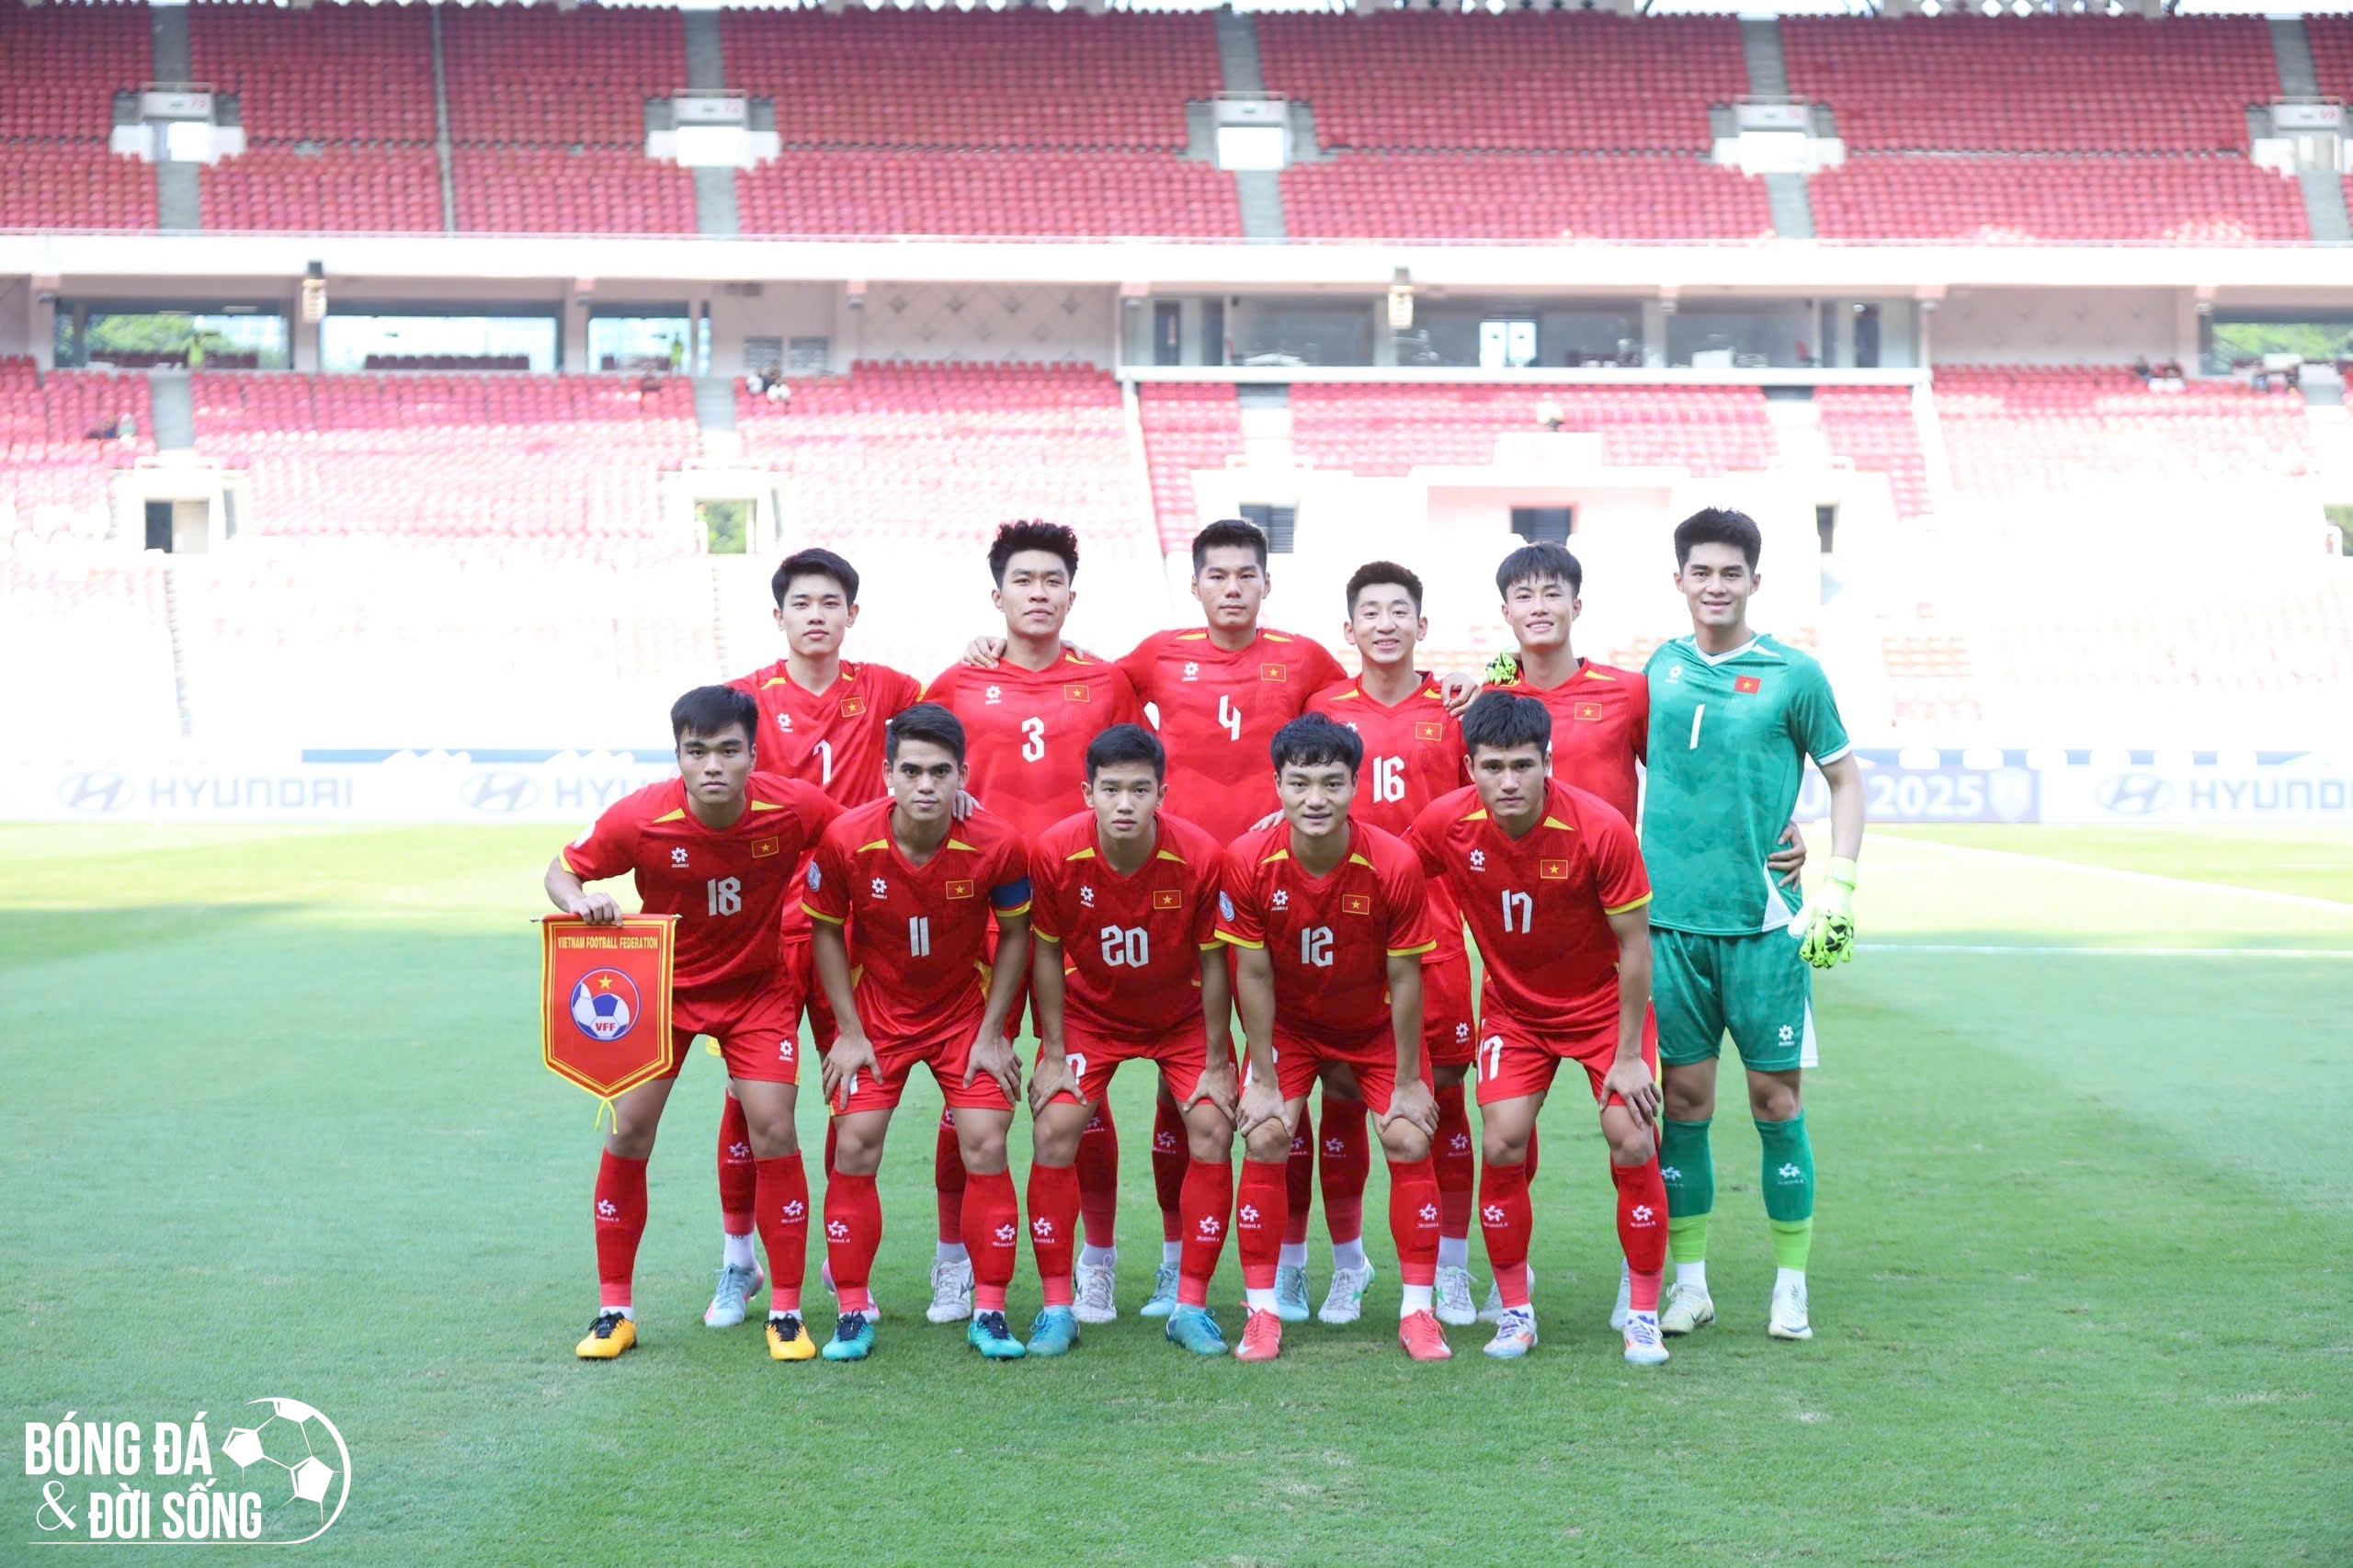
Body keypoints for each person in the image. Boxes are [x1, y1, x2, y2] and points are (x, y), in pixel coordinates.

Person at [962, 517, 1349, 1320]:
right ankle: (1129, 1265)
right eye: (1218, 574)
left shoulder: (1307, 658)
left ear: (1267, 582)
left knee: (1274, 1086)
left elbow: (1365, 703)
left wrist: (1474, 679)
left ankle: (1289, 1262)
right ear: (1195, 584)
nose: (1233, 587)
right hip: (1125, 899)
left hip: (1264, 893)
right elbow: (1076, 682)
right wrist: (995, 644)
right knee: (1064, 1098)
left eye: (1247, 573)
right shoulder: (1151, 657)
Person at [1481, 539, 1806, 1327]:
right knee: (1507, 1124)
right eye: (1523, 595)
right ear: (1505, 611)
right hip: (1522, 946)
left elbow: (1698, 770)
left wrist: (1777, 820)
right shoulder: (1487, 703)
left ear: (1576, 604)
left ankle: (1648, 1280)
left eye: (1552, 593)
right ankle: (1509, 1275)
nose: (1539, 608)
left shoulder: (1630, 691)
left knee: (1637, 1123)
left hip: (1621, 938)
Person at [545, 686, 842, 1362]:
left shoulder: (793, 805)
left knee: (774, 1127)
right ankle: (614, 1311)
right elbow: (561, 871)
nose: (713, 765)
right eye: (697, 751)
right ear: (678, 754)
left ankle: (787, 1312)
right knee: (629, 1129)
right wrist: (581, 899)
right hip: (664, 991)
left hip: (757, 991)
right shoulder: (641, 816)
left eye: (729, 751)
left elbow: (858, 835)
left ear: (754, 754)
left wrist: (955, 805)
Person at [720, 551, 963, 1329]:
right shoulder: (744, 699)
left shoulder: (890, 689)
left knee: (847, 1087)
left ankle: (837, 1254)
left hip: (850, 929)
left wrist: (985, 652)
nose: (816, 615)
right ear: (779, 615)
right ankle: (738, 1259)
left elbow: (947, 731)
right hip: (762, 930)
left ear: (852, 614)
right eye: (802, 603)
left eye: (831, 602)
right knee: (748, 1100)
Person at [1641, 507, 1865, 1345]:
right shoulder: (1660, 669)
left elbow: (1846, 779)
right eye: (1701, 571)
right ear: (1679, 580)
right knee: (1684, 1104)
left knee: (1776, 1101)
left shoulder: (1793, 674)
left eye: (1730, 572)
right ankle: (1690, 1286)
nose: (1715, 585)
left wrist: (1838, 882)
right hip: (1672, 927)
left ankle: (1791, 1287)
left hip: (1766, 928)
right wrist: (1501, 668)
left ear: (1754, 582)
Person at [923, 522, 1146, 1324]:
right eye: (1024, 581)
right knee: (967, 1098)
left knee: (1082, 1094)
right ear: (998, 595)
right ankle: (953, 1262)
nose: (1039, 594)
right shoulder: (956, 681)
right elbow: (917, 780)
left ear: (1072, 596)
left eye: (1053, 581)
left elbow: (1139, 776)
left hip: (1075, 920)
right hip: (978, 922)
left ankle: (1098, 1262)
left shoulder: (1107, 682)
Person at [1407, 693, 1668, 1366]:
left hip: (1604, 1008)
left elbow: (1635, 945)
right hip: (1515, 1013)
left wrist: (1630, 1055)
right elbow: (1391, 872)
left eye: (1523, 765)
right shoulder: (1446, 824)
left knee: (1632, 1135)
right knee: (1502, 1141)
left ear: (1548, 762)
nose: (1508, 782)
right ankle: (1515, 1309)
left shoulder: (1598, 828)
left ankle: (1643, 1313)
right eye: (1492, 767)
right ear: (1470, 767)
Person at [801, 704, 1036, 1361]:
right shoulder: (847, 840)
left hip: (964, 1012)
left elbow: (1016, 934)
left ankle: (989, 1311)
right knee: (855, 1145)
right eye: (911, 771)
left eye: (940, 771)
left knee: (986, 1142)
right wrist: (848, 1032)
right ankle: (852, 1310)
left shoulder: (998, 843)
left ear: (963, 775)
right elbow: (825, 930)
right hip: (878, 1013)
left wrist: (994, 1032)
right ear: (887, 774)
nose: (926, 785)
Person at [1221, 714, 1448, 1363]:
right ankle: (1262, 1312)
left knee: (1408, 1135)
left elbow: (1406, 977)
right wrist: (1263, 1077)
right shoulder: (1247, 860)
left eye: (1332, 783)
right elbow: (1252, 974)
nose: (1315, 798)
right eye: (1300, 783)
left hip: (1373, 1027)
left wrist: (1409, 1080)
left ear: (1356, 785)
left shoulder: (1393, 862)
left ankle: (1419, 1311)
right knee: (1266, 1133)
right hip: (1291, 1029)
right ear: (1277, 785)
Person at [1302, 562, 1480, 1328]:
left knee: (1443, 1096)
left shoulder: (1457, 706)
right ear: (1349, 629)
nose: (1384, 623)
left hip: (1433, 931)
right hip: (1342, 937)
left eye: (1398, 610)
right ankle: (1349, 1266)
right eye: (1370, 612)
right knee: (1341, 1092)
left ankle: (1453, 1270)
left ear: (1421, 625)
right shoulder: (1323, 709)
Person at [1022, 724, 1236, 1358]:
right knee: (1054, 1127)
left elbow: (1217, 962)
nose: (1124, 803)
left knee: (1212, 1126)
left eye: (1139, 790)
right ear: (1086, 792)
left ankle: (1190, 1305)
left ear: (1161, 795)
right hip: (1092, 1015)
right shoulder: (1055, 852)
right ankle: (1057, 1306)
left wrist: (1219, 1061)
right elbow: (1045, 952)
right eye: (1111, 789)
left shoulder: (1200, 856)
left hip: (1181, 1018)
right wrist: (1052, 1053)